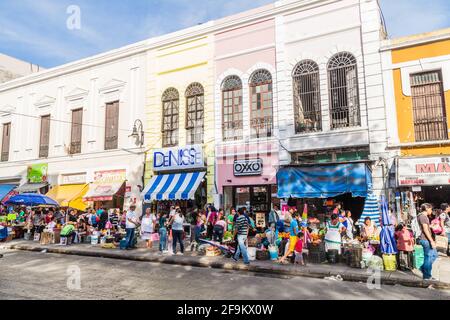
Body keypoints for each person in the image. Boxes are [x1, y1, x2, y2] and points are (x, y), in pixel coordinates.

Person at [417, 203, 438, 280]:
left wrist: (431, 226)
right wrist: (432, 241)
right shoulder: (423, 217)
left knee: (434, 255)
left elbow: (424, 227)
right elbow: (425, 230)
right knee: (428, 257)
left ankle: (423, 268)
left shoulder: (420, 216)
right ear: (427, 209)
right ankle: (427, 276)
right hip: (425, 239)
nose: (431, 210)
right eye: (431, 209)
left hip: (424, 239)